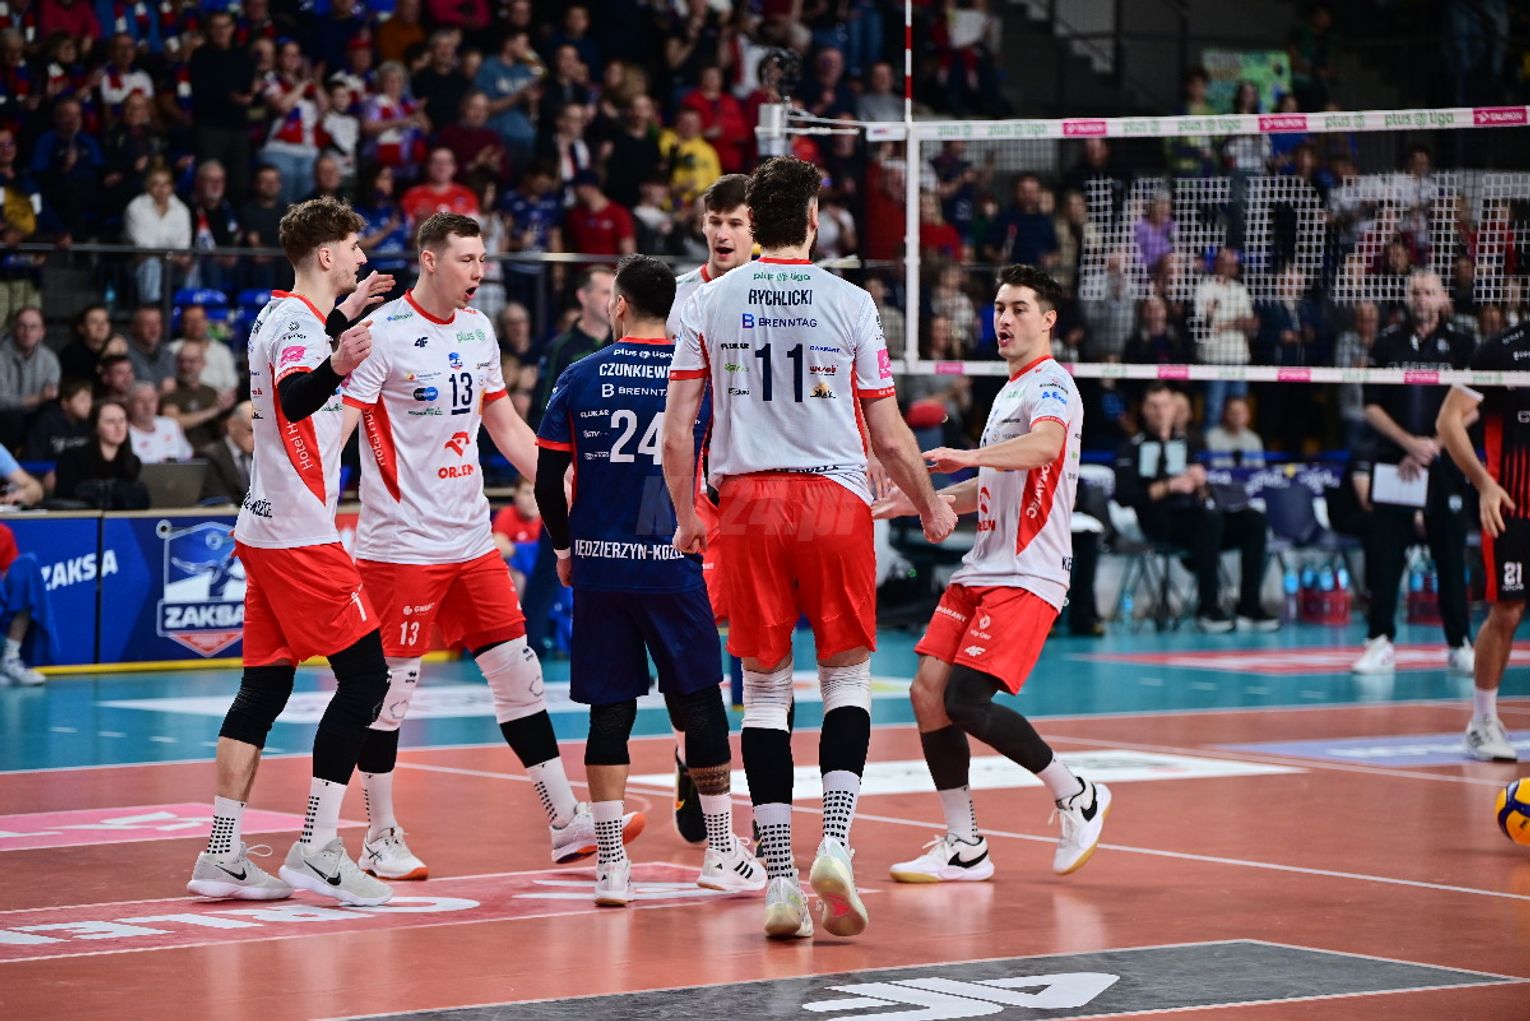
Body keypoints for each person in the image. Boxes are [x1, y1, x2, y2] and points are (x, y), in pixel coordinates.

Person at [664, 155, 956, 940]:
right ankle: (835, 841)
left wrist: (687, 516)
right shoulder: (851, 301)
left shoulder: (707, 300)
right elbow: (888, 433)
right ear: (815, 221)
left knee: (764, 691)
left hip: (748, 504)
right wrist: (930, 504)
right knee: (846, 679)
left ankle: (780, 881)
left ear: (755, 223)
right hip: (834, 500)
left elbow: (677, 431)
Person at [340, 213, 640, 882]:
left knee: (517, 671)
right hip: (402, 545)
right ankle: (379, 835)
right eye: (467, 259)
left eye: (482, 259)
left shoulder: (478, 330)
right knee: (390, 692)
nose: (479, 272)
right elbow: (343, 429)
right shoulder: (383, 334)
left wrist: (568, 487)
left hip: (472, 537)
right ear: (429, 260)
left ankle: (565, 821)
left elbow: (504, 426)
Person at [184, 197, 396, 908]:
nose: (362, 256)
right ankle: (318, 846)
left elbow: (297, 358)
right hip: (301, 536)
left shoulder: (278, 314)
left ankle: (221, 853)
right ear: (326, 254)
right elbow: (298, 394)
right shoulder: (303, 328)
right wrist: (340, 359)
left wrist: (342, 317)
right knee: (366, 680)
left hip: (263, 528)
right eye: (354, 246)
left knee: (264, 689)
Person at [535, 253, 763, 905]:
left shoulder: (580, 375)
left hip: (600, 567)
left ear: (619, 304)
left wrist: (565, 549)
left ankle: (611, 865)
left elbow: (547, 482)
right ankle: (720, 851)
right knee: (700, 701)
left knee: (611, 711)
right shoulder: (697, 378)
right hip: (671, 564)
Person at [873, 264, 1109, 883]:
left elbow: (1045, 447)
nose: (1004, 319)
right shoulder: (1008, 391)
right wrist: (920, 501)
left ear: (1048, 320)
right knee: (927, 694)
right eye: (1000, 308)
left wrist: (966, 455)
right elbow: (993, 484)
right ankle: (965, 844)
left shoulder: (1051, 384)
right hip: (983, 566)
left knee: (966, 702)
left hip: (1028, 572)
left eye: (1019, 308)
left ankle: (1076, 793)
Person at [665, 172, 750, 845]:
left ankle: (756, 786)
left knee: (764, 646)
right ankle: (691, 760)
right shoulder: (678, 299)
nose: (723, 233)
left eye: (735, 223)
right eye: (715, 221)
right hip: (696, 491)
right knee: (694, 642)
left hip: (763, 490)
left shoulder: (780, 292)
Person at [1352, 270, 1475, 676]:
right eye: (1415, 292)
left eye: (1428, 292)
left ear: (1441, 298)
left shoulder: (1462, 344)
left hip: (1444, 464)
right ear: (1406, 297)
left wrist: (1433, 446)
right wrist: (1409, 444)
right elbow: (1371, 407)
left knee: (1450, 557)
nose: (1421, 298)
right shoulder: (1386, 343)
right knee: (1386, 556)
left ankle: (1459, 644)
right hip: (1396, 464)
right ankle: (1379, 642)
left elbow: (1474, 407)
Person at [1115, 383, 1278, 633]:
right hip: (1158, 522)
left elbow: (1202, 492)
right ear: (1144, 410)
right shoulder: (1131, 447)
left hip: (1197, 518)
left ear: (1174, 409)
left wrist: (1200, 484)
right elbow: (1125, 496)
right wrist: (1169, 486)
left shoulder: (1187, 444)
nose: (1160, 412)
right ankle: (1208, 608)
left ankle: (1249, 605)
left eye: (1165, 405)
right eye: (1154, 406)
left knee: (1253, 520)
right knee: (1209, 519)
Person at [1437, 318, 1527, 762]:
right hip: (1512, 507)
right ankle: (1482, 722)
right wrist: (1484, 484)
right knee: (1507, 613)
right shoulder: (1502, 350)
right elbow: (1448, 421)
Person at [50, 399, 145, 508]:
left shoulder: (132, 461)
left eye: (122, 420)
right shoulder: (72, 457)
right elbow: (66, 498)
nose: (118, 427)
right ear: (95, 427)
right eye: (110, 422)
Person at [199, 401, 255, 505]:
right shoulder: (210, 456)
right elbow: (218, 499)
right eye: (251, 431)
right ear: (232, 425)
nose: (256, 438)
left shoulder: (263, 458)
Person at [126, 382, 194, 464]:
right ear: (129, 404)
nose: (148, 406)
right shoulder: (124, 432)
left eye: (151, 400)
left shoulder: (170, 424)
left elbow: (187, 456)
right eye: (140, 401)